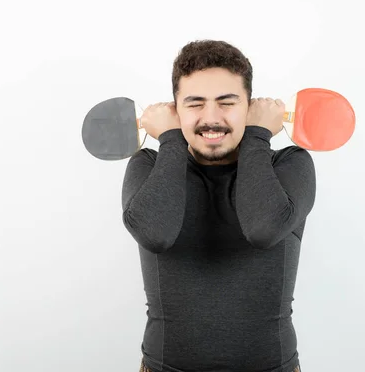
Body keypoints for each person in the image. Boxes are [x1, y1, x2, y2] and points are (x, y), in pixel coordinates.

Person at [122, 40, 316, 372]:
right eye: (194, 103)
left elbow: (263, 229)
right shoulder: (149, 166)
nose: (211, 118)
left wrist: (257, 135)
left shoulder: (290, 164)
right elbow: (155, 234)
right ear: (175, 110)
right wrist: (171, 141)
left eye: (227, 102)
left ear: (250, 107)